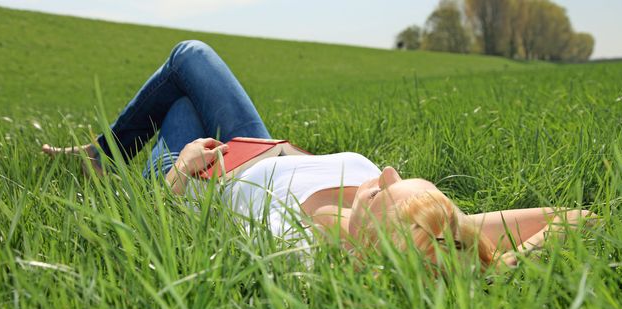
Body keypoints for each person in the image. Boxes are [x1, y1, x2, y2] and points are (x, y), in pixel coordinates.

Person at [42, 40, 593, 269]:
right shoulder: (437, 231)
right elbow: (580, 219)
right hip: (257, 141)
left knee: (181, 92)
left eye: (382, 190)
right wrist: (493, 267)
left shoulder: (300, 249)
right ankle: (103, 153)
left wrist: (183, 172)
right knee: (192, 59)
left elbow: (162, 237)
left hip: (192, 175)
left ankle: (105, 159)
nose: (386, 172)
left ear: (367, 240)